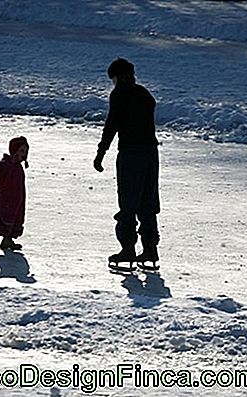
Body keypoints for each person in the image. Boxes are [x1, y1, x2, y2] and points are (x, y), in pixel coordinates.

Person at [93, 58, 161, 267]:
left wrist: (101, 152)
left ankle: (128, 249)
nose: (113, 83)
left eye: (113, 79)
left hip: (131, 154)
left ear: (118, 77)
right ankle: (150, 249)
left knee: (128, 203)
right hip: (151, 153)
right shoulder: (144, 94)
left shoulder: (120, 94)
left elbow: (111, 124)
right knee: (147, 203)